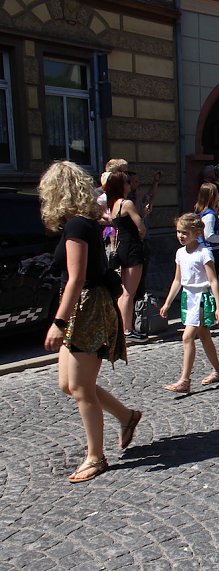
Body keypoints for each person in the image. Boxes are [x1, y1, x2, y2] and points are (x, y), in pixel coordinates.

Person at [39, 161, 140, 483]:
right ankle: (126, 416)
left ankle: (96, 456)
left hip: (88, 308)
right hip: (84, 306)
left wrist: (58, 321)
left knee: (80, 387)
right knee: (68, 384)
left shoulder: (77, 227)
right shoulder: (81, 223)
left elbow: (76, 278)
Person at [160, 213, 219, 393]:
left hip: (201, 298)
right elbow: (177, 280)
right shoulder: (180, 253)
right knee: (204, 335)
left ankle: (184, 380)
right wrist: (167, 303)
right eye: (179, 232)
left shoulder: (204, 253)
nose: (181, 236)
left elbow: (213, 280)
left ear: (196, 233)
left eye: (185, 233)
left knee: (187, 336)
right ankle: (218, 371)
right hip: (188, 297)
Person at [105, 171, 147, 340]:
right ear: (121, 186)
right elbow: (140, 225)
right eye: (127, 182)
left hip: (122, 246)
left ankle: (122, 327)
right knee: (130, 291)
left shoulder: (113, 204)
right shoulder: (127, 203)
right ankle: (127, 329)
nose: (130, 185)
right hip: (132, 248)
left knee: (124, 291)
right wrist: (142, 231)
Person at [195, 183, 219, 280]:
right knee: (213, 280)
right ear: (213, 196)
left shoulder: (199, 211)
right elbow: (209, 236)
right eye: (217, 193)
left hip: (203, 249)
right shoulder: (210, 215)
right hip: (211, 251)